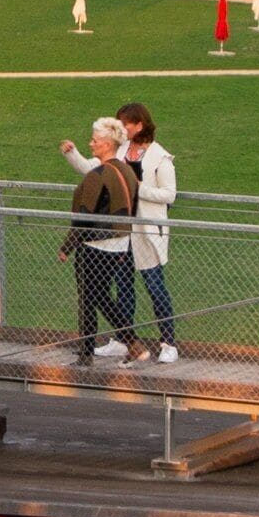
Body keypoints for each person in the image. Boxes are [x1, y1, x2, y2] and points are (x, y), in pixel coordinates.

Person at [78, 100, 180, 361]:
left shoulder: (160, 157)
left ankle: (168, 343)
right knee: (123, 287)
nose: (121, 128)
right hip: (123, 232)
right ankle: (123, 340)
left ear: (139, 125)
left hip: (148, 233)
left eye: (126, 124)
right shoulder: (121, 151)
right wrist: (71, 154)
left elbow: (169, 195)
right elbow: (93, 167)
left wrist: (138, 189)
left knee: (155, 286)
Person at [60, 118, 141, 363]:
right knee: (101, 295)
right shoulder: (127, 170)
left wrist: (67, 246)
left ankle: (90, 354)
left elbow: (84, 216)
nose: (91, 144)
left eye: (94, 141)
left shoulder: (99, 174)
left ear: (106, 144)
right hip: (119, 243)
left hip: (95, 244)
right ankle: (131, 343)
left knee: (89, 298)